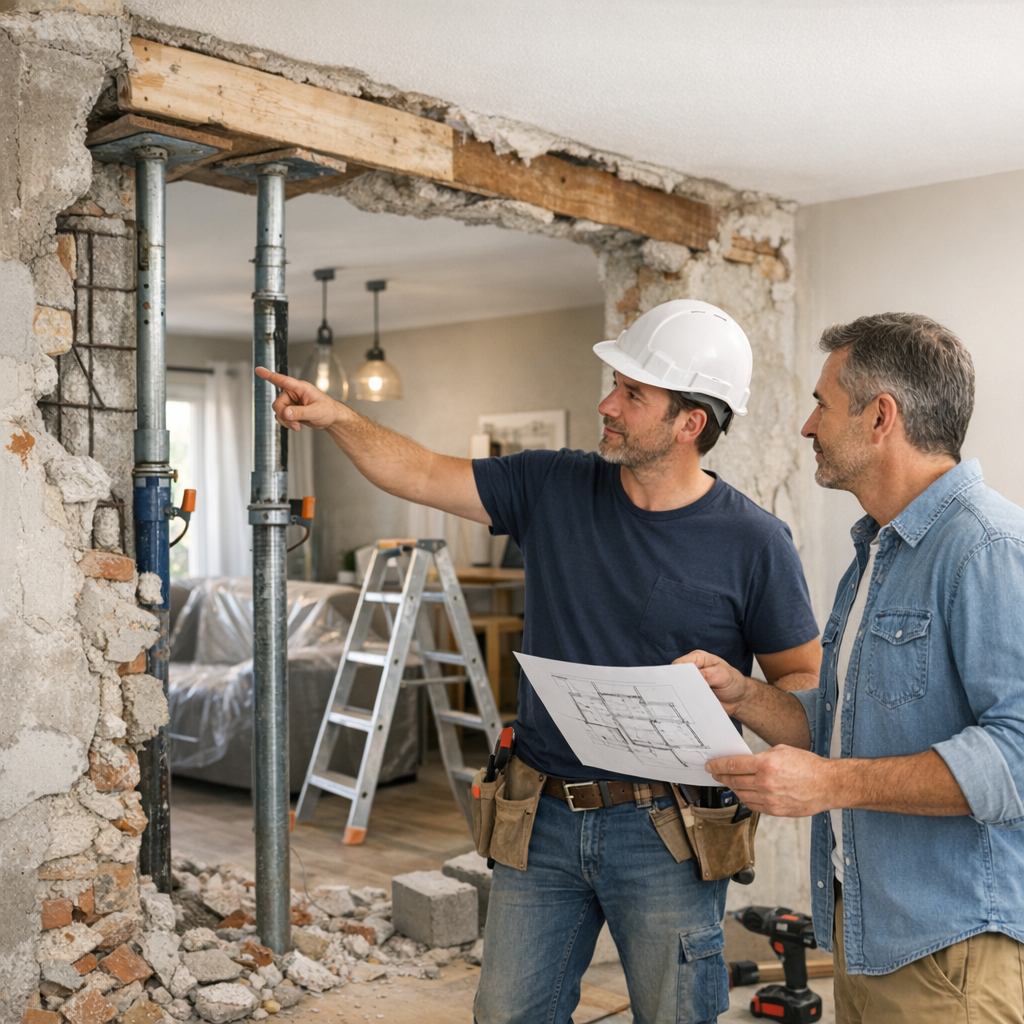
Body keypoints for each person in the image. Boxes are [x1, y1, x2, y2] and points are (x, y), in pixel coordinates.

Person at [255, 299, 822, 1024]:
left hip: (667, 835)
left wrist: (740, 692)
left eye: (632, 393)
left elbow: (804, 691)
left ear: (691, 423)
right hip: (541, 817)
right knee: (506, 1014)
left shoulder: (755, 542)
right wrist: (339, 419)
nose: (606, 404)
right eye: (614, 384)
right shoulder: (553, 485)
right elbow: (423, 473)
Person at [688, 313, 1024, 1023]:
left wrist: (830, 785)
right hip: (867, 935)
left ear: (880, 417)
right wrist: (742, 693)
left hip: (951, 954)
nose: (807, 426)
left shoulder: (986, 548)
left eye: (821, 403)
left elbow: (1017, 756)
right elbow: (843, 726)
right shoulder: (876, 553)